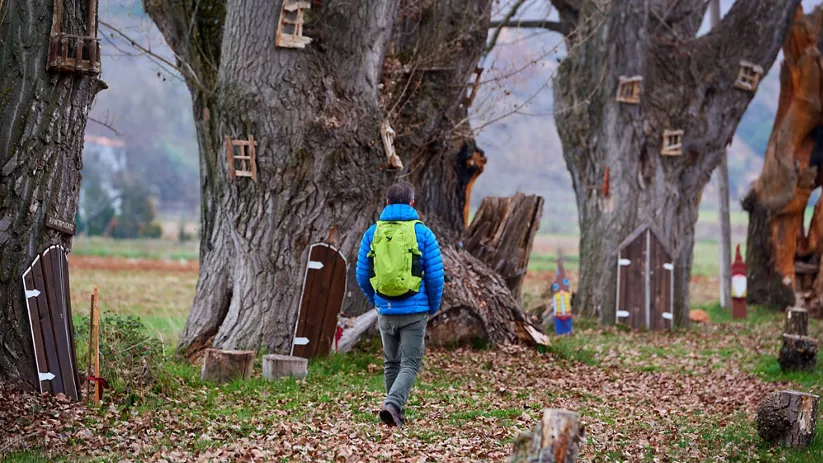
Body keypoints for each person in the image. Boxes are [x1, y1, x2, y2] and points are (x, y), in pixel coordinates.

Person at [355, 181, 444, 427]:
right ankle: (393, 405)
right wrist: (432, 305)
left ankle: (392, 414)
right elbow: (435, 277)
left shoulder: (372, 233)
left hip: (385, 309)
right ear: (412, 203)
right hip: (415, 310)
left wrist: (377, 300)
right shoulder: (423, 233)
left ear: (387, 203)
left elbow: (362, 275)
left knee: (391, 363)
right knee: (411, 363)